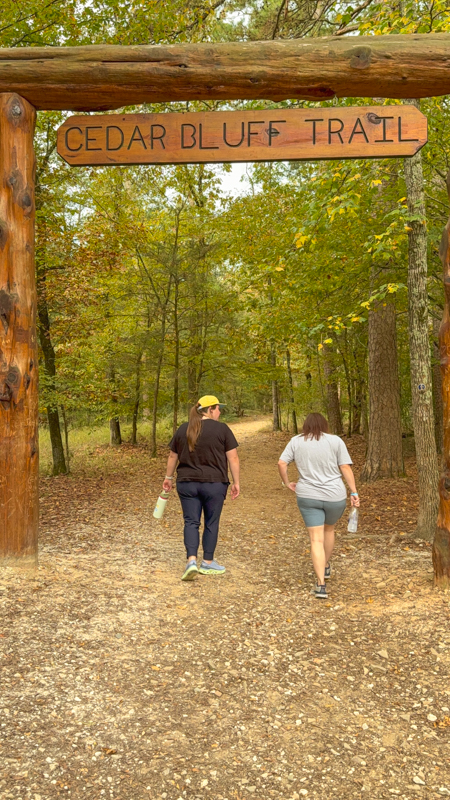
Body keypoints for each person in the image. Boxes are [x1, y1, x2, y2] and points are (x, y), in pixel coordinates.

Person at [278, 412, 360, 600]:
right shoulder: (335, 441)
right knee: (329, 530)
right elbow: (345, 467)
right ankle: (325, 565)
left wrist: (287, 482)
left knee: (316, 539)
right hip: (334, 495)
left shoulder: (296, 441)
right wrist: (354, 492)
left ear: (306, 425)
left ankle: (321, 584)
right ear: (325, 425)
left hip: (308, 495)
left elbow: (281, 463)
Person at [162, 395, 240, 581]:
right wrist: (236, 482)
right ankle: (208, 561)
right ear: (210, 409)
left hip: (187, 483)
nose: (220, 412)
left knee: (191, 522)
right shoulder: (222, 429)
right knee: (211, 522)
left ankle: (191, 560)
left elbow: (173, 456)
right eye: (218, 408)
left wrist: (168, 478)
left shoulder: (184, 428)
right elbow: (233, 458)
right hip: (215, 484)